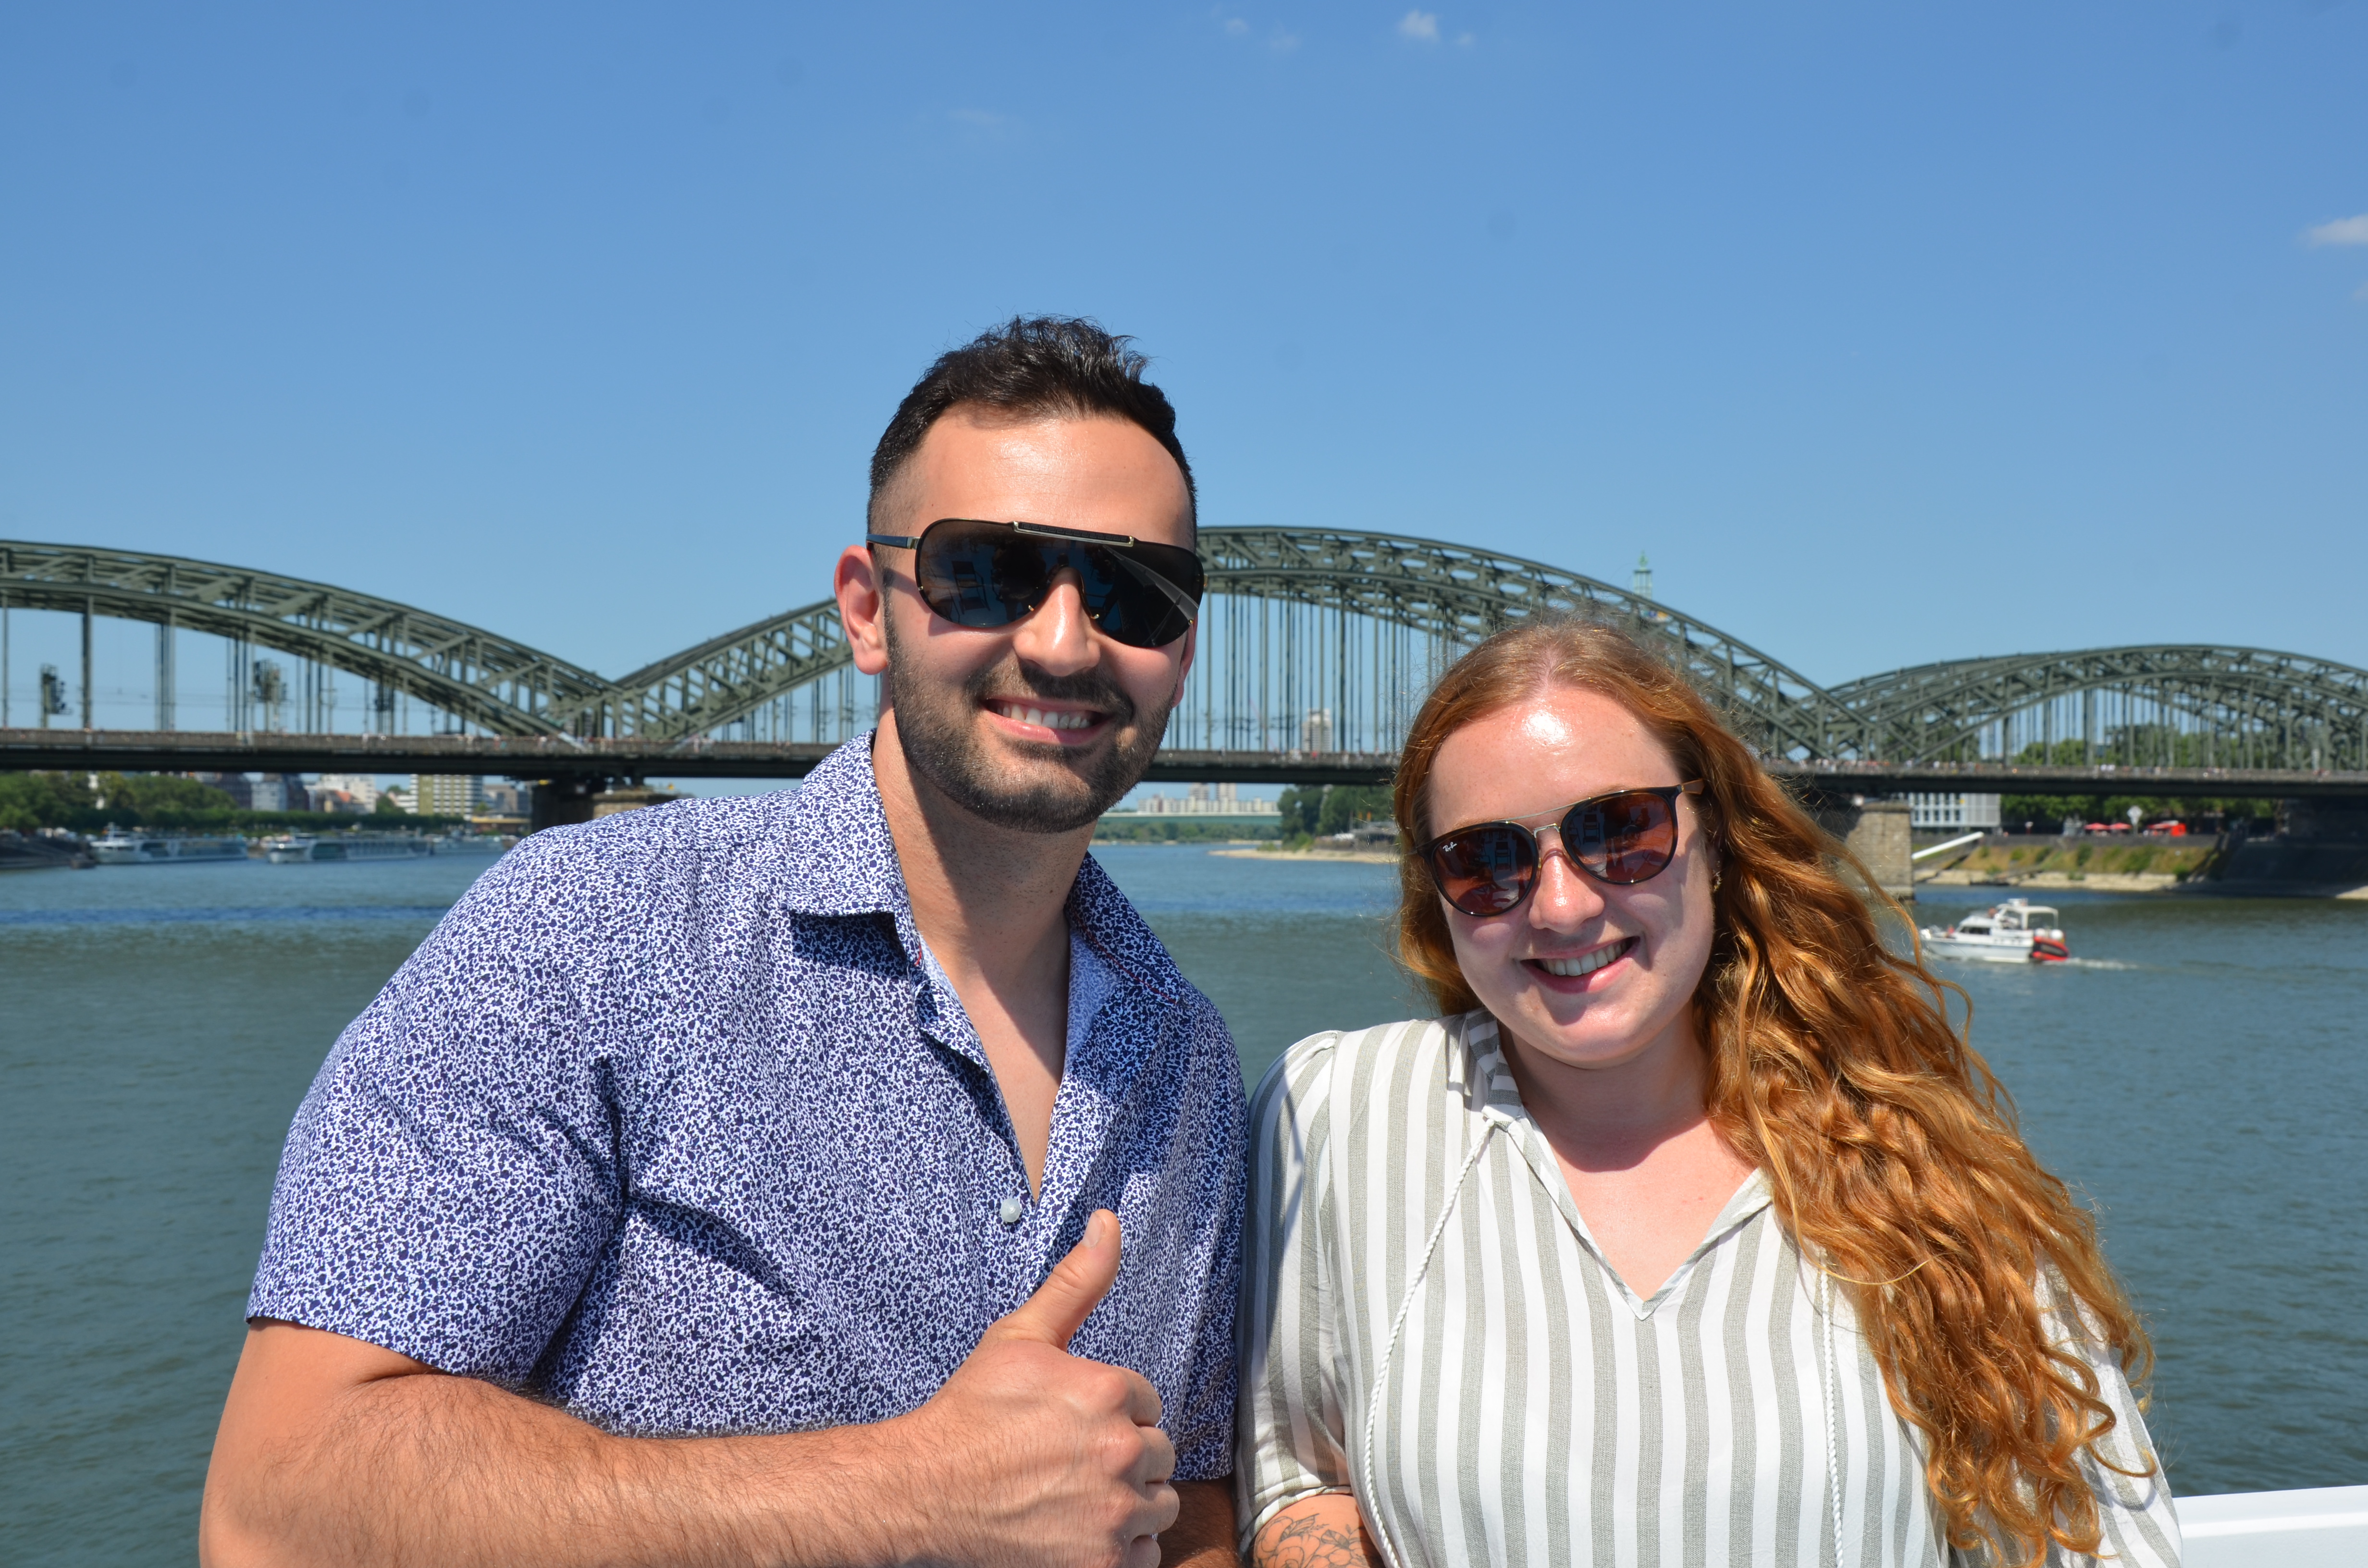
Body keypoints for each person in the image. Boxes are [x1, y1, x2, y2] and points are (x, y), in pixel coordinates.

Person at [201, 317, 1247, 1568]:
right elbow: (278, 1508)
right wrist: (911, 1490)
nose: (1067, 642)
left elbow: (1188, 1505)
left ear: (1181, 651)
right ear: (869, 611)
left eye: (1135, 594)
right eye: (990, 574)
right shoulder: (591, 934)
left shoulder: (1186, 1058)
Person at [1235, 619, 2180, 1568]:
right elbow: (1287, 1468)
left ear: (1716, 838)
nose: (1559, 904)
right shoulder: (1339, 1114)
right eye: (1486, 861)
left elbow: (2100, 1542)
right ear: (1435, 894)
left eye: (1619, 830)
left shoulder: (1924, 1174)